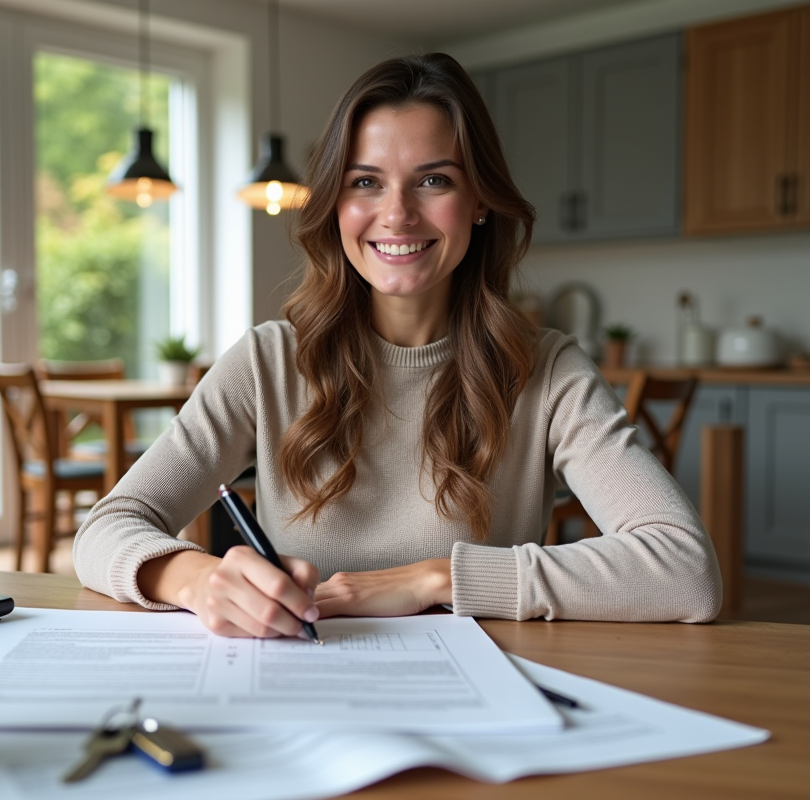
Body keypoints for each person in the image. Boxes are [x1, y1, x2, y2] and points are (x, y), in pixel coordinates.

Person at [73, 53, 721, 638]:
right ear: (335, 204)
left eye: (433, 180)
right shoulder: (269, 362)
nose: (397, 214)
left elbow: (684, 568)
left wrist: (435, 580)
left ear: (479, 202)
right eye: (365, 182)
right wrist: (194, 580)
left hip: (477, 697)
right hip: (295, 687)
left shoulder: (548, 371)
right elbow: (105, 528)